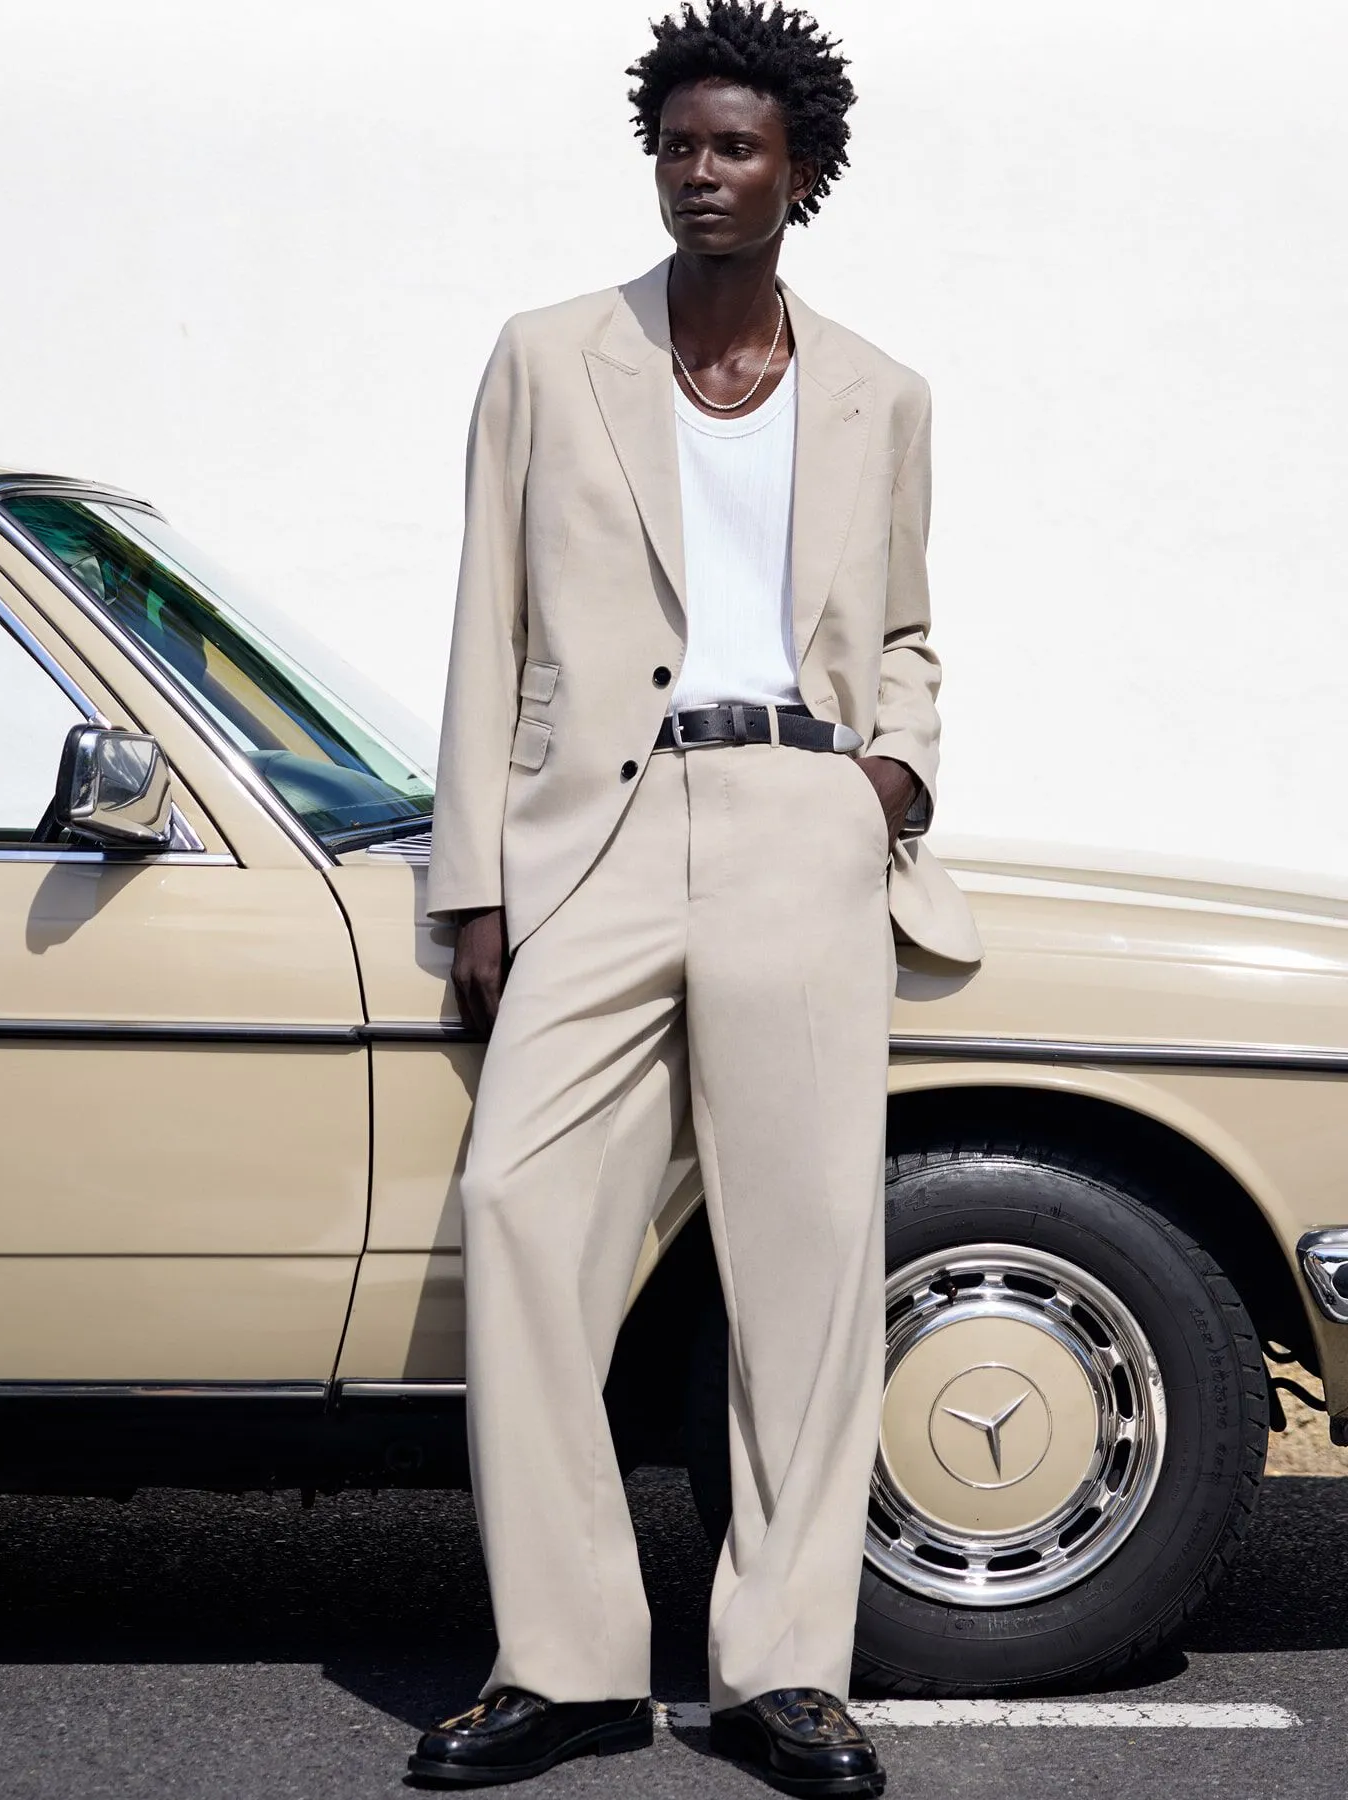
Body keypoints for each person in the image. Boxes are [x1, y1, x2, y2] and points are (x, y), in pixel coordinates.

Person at [410, 3, 981, 1790]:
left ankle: (785, 1672)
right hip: (596, 832)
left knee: (807, 1263)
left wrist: (887, 769)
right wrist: (474, 889)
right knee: (516, 1211)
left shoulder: (881, 389)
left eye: (739, 148)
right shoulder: (548, 355)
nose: (703, 173)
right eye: (680, 143)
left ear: (802, 170)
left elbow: (903, 626)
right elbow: (486, 625)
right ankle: (565, 1660)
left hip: (799, 828)